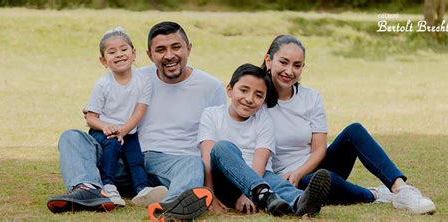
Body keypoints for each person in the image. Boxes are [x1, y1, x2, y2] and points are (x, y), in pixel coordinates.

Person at [47, 22, 225, 221]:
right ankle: (87, 188)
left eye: (176, 47)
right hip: (126, 159)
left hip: (174, 166)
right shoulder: (137, 77)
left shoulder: (211, 86)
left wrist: (212, 187)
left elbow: (216, 138)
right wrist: (96, 116)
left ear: (189, 48)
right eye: (160, 50)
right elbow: (106, 103)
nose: (169, 56)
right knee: (72, 137)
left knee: (193, 163)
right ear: (149, 55)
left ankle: (173, 205)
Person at [261, 35, 436, 214]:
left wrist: (299, 172)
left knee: (354, 130)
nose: (290, 71)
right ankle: (374, 194)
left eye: (297, 65)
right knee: (319, 181)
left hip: (315, 165)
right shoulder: (257, 101)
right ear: (269, 61)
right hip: (289, 180)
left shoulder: (311, 98)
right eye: (283, 62)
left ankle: (401, 190)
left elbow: (319, 150)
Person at [198, 63, 331, 218]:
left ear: (264, 100)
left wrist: (248, 193)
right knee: (222, 147)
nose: (249, 99)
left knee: (277, 183)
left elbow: (260, 161)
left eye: (258, 95)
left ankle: (299, 201)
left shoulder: (263, 119)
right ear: (229, 89)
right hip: (225, 179)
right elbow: (207, 159)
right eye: (244, 90)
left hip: (259, 176)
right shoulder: (212, 115)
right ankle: (263, 194)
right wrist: (210, 194)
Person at [83, 27, 167, 208]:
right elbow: (91, 117)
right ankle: (108, 186)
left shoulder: (143, 82)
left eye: (124, 49)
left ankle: (142, 189)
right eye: (112, 52)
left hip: (129, 131)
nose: (119, 54)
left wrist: (124, 130)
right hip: (103, 131)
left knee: (136, 159)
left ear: (134, 53)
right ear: (103, 61)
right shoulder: (103, 84)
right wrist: (106, 127)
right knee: (112, 145)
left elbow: (139, 112)